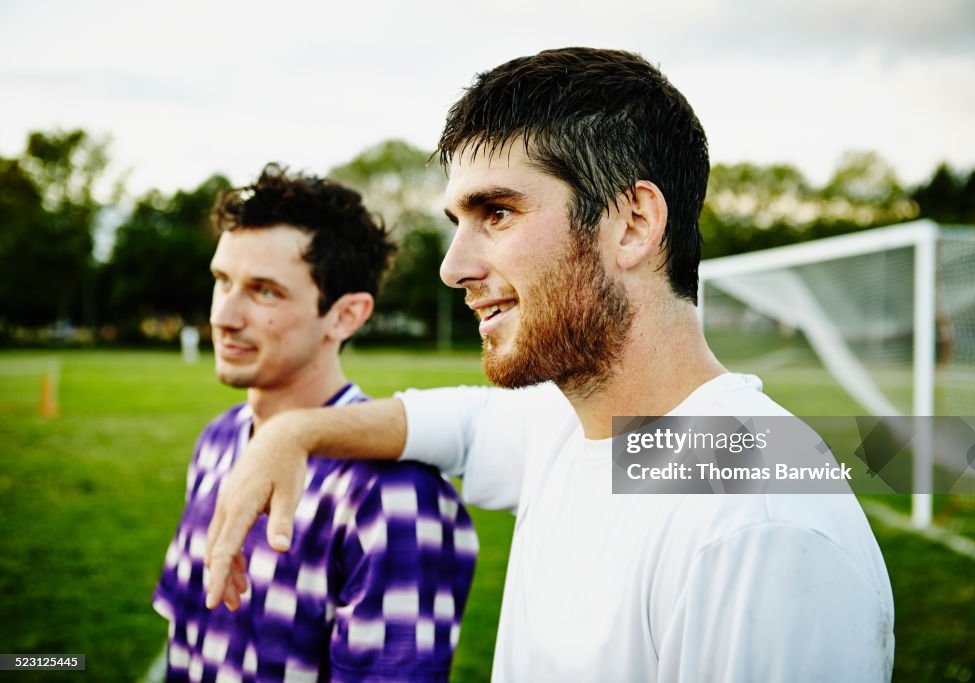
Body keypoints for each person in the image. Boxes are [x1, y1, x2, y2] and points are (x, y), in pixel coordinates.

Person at [205, 50, 895, 681]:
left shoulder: (760, 525)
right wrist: (294, 434)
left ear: (632, 222)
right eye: (457, 221)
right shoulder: (585, 430)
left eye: (497, 212)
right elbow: (463, 425)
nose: (454, 267)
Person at [153, 165, 478, 682]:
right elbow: (186, 643)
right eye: (223, 281)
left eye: (264, 292)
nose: (224, 316)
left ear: (346, 316)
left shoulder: (394, 495)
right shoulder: (218, 439)